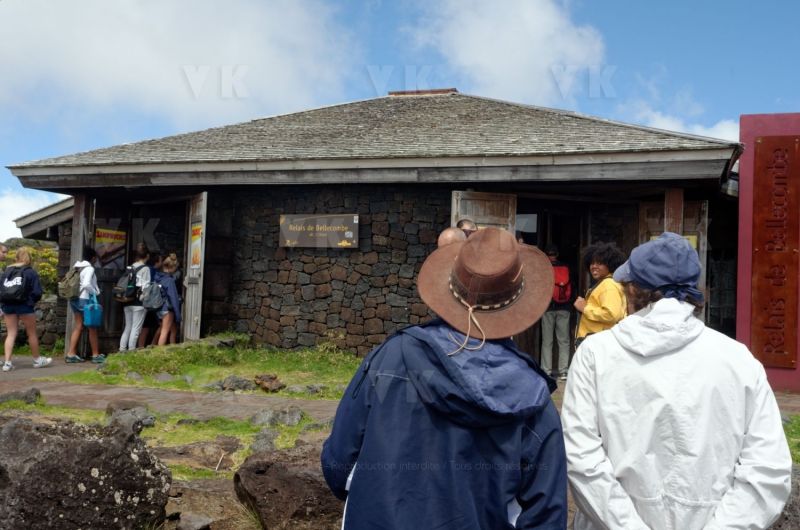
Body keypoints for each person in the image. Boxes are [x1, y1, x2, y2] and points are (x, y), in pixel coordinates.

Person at [322, 228, 567, 529]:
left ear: (450, 288)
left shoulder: (391, 357)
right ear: (518, 305)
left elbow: (338, 465)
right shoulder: (533, 400)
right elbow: (545, 515)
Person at [562, 232, 792, 530]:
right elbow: (768, 471)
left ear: (632, 289)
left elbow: (581, 460)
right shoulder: (739, 360)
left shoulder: (595, 354)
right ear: (694, 289)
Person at [1, 247, 51, 371]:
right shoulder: (30, 272)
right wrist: (30, 302)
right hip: (25, 306)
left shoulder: (6, 272)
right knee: (32, 333)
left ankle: (7, 363)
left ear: (16, 257)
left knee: (11, 333)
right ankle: (37, 360)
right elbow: (37, 292)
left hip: (8, 305)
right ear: (28, 258)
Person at [574, 241, 625, 346]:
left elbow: (611, 315)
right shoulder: (606, 283)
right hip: (597, 340)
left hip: (599, 343)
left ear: (610, 265)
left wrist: (585, 308)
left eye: (599, 263)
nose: (594, 266)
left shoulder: (608, 285)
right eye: (592, 263)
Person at [65, 246, 105, 363]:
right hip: (84, 299)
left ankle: (71, 354)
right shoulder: (89, 268)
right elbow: (87, 284)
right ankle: (95, 355)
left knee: (78, 325)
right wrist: (96, 292)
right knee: (92, 327)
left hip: (74, 298)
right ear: (93, 258)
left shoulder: (76, 267)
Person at [540, 244, 572, 380]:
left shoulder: (543, 267)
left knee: (547, 341)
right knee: (563, 340)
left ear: (546, 255)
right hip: (564, 307)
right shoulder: (566, 267)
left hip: (547, 307)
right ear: (557, 254)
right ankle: (563, 371)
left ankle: (546, 370)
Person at [119, 243, 151, 352]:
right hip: (139, 302)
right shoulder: (145, 269)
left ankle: (122, 350)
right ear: (147, 256)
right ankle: (131, 351)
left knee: (127, 327)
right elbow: (146, 287)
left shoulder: (131, 267)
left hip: (127, 300)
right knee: (136, 329)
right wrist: (145, 301)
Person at [154, 253, 182, 346]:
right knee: (165, 331)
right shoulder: (169, 280)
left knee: (172, 329)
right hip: (167, 308)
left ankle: (172, 349)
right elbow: (173, 298)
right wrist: (178, 315)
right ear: (172, 267)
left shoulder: (157, 277)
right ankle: (159, 354)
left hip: (159, 307)